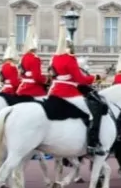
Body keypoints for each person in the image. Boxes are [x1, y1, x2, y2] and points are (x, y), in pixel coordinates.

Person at [47, 22, 103, 155]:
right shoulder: (70, 59)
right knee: (91, 114)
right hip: (69, 93)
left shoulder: (54, 58)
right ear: (71, 47)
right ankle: (92, 144)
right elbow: (80, 80)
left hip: (54, 92)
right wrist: (96, 77)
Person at [16, 21, 47, 98]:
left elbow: (21, 73)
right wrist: (44, 79)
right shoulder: (35, 58)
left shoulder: (24, 57)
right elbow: (37, 77)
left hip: (22, 88)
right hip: (32, 88)